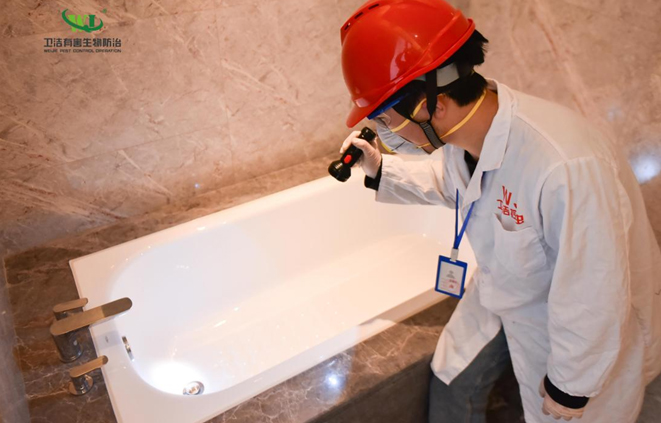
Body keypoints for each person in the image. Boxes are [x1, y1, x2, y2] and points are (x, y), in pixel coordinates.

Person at [337, 1, 661, 422]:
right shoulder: (468, 133)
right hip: (509, 287)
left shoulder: (564, 165)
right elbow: (456, 182)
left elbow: (594, 289)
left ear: (430, 105)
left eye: (384, 118)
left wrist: (571, 386)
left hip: (574, 328)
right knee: (451, 376)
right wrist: (382, 169)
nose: (384, 131)